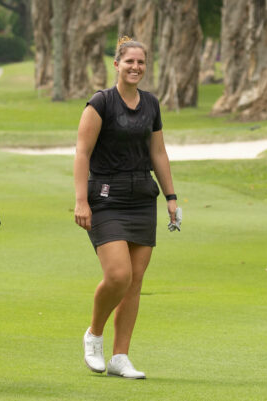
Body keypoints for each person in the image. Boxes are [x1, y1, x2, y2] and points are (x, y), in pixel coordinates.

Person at [73, 36, 178, 379]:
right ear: (116, 65)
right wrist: (80, 200)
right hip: (105, 197)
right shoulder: (100, 103)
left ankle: (121, 356)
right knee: (118, 275)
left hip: (141, 198)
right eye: (129, 62)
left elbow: (158, 153)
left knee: (134, 282)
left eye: (141, 63)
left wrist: (171, 197)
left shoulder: (151, 104)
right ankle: (94, 334)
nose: (136, 67)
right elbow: (82, 153)